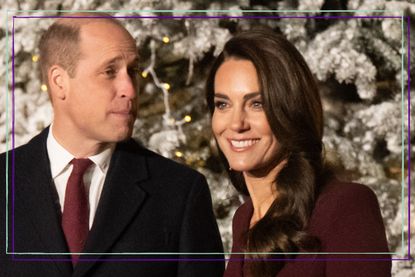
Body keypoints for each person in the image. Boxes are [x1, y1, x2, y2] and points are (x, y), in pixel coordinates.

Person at [0, 13, 224, 277]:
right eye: (109, 72)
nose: (129, 88)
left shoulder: (180, 192)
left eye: (133, 71)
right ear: (59, 81)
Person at [205, 30, 391, 277]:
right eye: (223, 104)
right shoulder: (245, 217)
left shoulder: (345, 205)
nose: (236, 123)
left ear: (291, 111)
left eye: (257, 104)